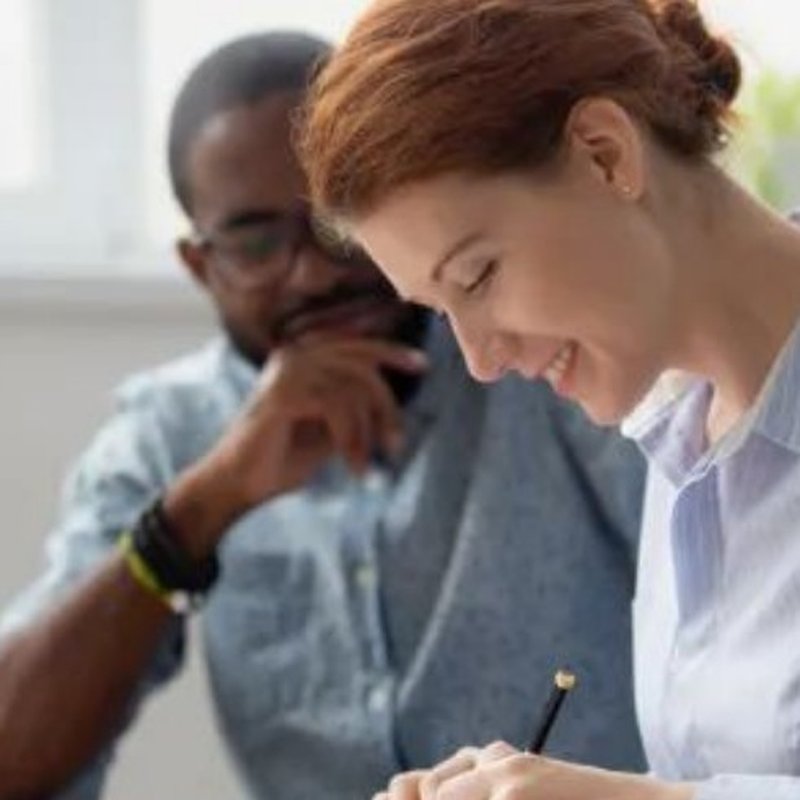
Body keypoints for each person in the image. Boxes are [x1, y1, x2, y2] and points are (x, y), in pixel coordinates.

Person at [0, 31, 646, 800]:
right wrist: (200, 509)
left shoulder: (546, 358)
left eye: (337, 226)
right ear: (201, 266)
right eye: (256, 244)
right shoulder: (166, 436)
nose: (310, 274)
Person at [300, 0, 800, 798]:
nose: (481, 360)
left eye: (477, 278)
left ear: (606, 155)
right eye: (440, 311)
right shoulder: (679, 440)